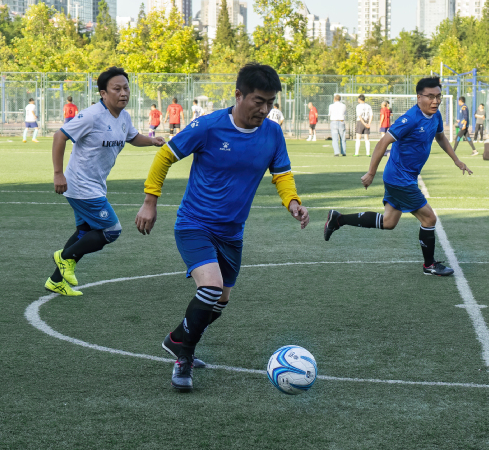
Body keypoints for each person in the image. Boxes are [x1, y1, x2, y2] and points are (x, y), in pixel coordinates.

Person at [134, 63, 309, 391]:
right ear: (239, 95)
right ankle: (184, 357)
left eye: (270, 102)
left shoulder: (272, 133)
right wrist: (150, 201)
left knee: (219, 302)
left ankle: (177, 338)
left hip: (232, 232)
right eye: (258, 101)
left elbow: (282, 174)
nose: (265, 109)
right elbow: (165, 156)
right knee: (211, 288)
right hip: (195, 224)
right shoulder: (209, 126)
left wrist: (293, 202)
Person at [322, 76, 473, 277]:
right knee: (429, 218)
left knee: (389, 222)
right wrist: (371, 173)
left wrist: (456, 160)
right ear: (419, 97)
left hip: (405, 177)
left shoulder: (436, 116)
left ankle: (338, 219)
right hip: (399, 179)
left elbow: (440, 137)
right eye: (430, 96)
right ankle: (429, 265)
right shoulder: (410, 119)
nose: (435, 101)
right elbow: (382, 143)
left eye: (438, 96)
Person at [45, 66, 166, 296]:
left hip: (95, 185)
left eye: (126, 88)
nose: (124, 93)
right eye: (117, 89)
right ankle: (64, 256)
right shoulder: (92, 115)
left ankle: (56, 280)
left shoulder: (124, 116)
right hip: (80, 185)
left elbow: (132, 137)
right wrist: (58, 173)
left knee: (84, 232)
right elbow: (60, 136)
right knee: (111, 230)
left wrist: (152, 141)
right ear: (103, 93)